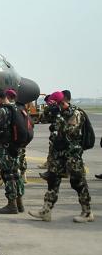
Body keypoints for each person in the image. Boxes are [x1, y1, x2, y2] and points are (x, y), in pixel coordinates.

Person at [29, 91, 94, 223]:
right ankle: (46, 211)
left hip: (72, 155)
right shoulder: (59, 112)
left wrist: (58, 116)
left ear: (62, 102)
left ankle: (87, 212)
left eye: (56, 104)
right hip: (58, 155)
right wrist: (49, 111)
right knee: (53, 181)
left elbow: (71, 131)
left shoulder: (76, 113)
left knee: (78, 182)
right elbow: (44, 119)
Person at [0, 89, 24, 214]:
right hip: (16, 147)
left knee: (8, 175)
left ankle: (11, 205)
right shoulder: (18, 108)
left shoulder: (3, 110)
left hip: (5, 148)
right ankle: (19, 203)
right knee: (16, 174)